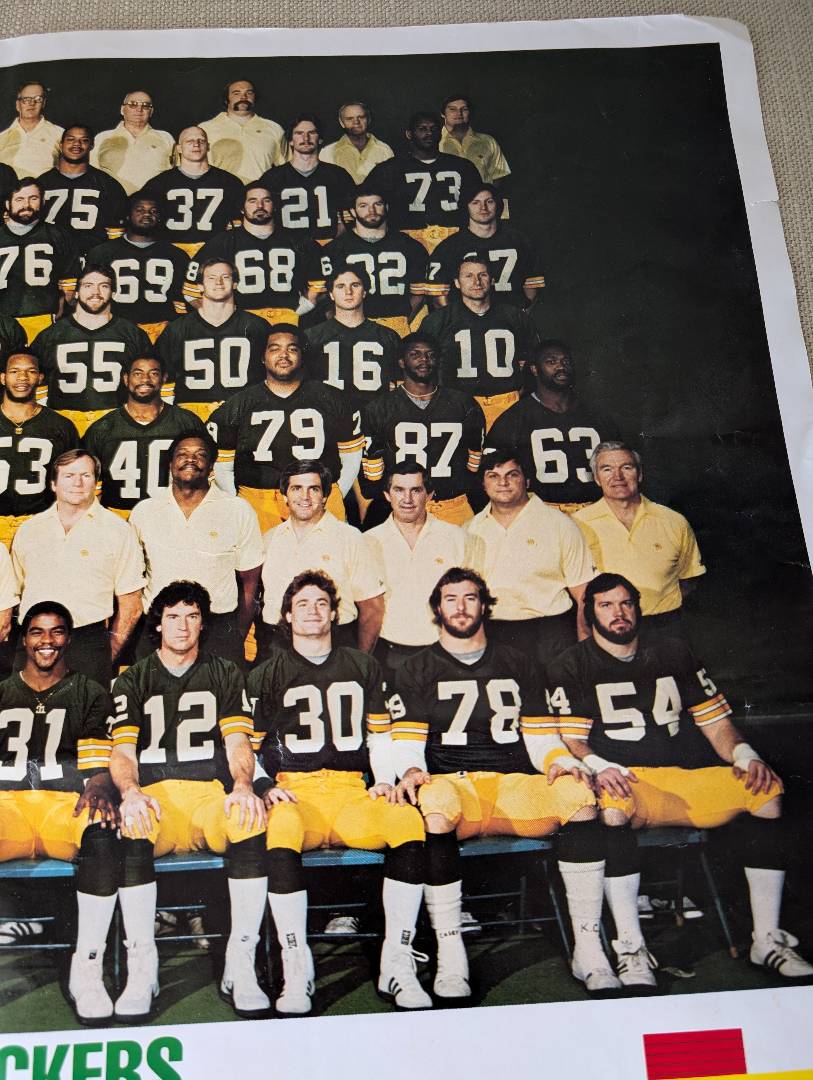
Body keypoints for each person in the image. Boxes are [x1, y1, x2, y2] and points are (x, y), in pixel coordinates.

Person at [549, 572, 813, 986]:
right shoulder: (572, 664)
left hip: (680, 777)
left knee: (766, 792)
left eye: (626, 603)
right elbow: (572, 740)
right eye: (606, 605)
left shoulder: (673, 652)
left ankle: (767, 938)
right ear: (590, 613)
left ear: (638, 608)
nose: (618, 613)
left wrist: (746, 755)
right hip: (625, 781)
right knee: (612, 810)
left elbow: (716, 724)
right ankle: (631, 948)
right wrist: (600, 766)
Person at [391, 567, 618, 996]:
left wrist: (559, 761)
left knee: (578, 796)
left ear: (485, 605)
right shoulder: (415, 668)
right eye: (451, 599)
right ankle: (450, 953)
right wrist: (410, 770)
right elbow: (407, 744)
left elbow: (541, 737)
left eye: (470, 597)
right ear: (437, 608)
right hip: (452, 782)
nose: (461, 607)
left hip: (513, 782)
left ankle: (588, 946)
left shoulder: (519, 662)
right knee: (434, 807)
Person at [249, 569, 430, 1013]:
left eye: (322, 603)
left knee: (407, 822)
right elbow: (245, 749)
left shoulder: (363, 666)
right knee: (280, 831)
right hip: (296, 791)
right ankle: (297, 966)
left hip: (352, 791)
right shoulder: (266, 674)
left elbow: (380, 736)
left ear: (335, 613)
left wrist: (384, 779)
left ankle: (397, 961)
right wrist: (264, 785)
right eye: (303, 604)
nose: (313, 611)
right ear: (287, 616)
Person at [109, 581, 270, 1020]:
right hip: (156, 798)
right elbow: (122, 752)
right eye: (173, 616)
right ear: (158, 624)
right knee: (132, 825)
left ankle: (241, 960)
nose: (183, 626)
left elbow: (238, 743)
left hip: (206, 796)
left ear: (203, 624)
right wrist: (131, 792)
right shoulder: (133, 678)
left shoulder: (224, 672)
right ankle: (143, 967)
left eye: (193, 616)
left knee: (248, 819)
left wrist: (243, 785)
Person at [0, 601, 121, 1023]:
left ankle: (87, 969)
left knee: (102, 829)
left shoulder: (89, 692)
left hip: (62, 806)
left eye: (56, 631)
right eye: (37, 631)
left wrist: (101, 785)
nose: (46, 641)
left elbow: (97, 768)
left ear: (68, 638)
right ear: (23, 639)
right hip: (7, 807)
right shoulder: (2, 691)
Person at [208, 324, 363, 532]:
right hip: (259, 500)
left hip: (317, 496)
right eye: (275, 348)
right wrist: (237, 502)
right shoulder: (238, 405)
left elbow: (351, 457)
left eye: (292, 349)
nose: (284, 355)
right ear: (263, 357)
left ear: (302, 356)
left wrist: (332, 493)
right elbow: (222, 467)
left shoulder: (332, 398)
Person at [11, 449, 145, 685]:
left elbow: (131, 604)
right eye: (69, 475)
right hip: (34, 642)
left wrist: (106, 654)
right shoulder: (30, 530)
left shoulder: (118, 531)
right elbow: (14, 592)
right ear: (53, 484)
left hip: (88, 644)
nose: (78, 483)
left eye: (86, 475)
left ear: (96, 483)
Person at [129, 434, 262, 665]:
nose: (190, 459)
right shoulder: (145, 511)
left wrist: (235, 634)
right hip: (159, 628)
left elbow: (250, 584)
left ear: (211, 467)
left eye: (200, 455)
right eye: (182, 454)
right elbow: (132, 580)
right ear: (170, 464)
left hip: (218, 629)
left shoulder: (238, 510)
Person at [466, 449, 594, 670]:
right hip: (492, 633)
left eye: (512, 474)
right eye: (493, 476)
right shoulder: (470, 529)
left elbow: (584, 594)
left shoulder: (560, 525)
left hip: (550, 634)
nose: (503, 483)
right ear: (483, 484)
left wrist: (586, 650)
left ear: (527, 480)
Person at [574, 443, 706, 639]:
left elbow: (689, 578)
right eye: (607, 469)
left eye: (626, 467)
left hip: (665, 628)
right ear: (596, 478)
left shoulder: (673, 521)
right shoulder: (577, 525)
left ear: (640, 474)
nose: (617, 476)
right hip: (608, 630)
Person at [259, 460, 385, 656]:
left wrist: (357, 662)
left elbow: (372, 608)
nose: (305, 496)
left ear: (325, 496)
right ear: (285, 495)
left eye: (314, 489)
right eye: (296, 488)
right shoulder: (269, 539)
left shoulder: (349, 538)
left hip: (334, 643)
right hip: (277, 646)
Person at [360, 332, 485, 526]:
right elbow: (373, 474)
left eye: (430, 354)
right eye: (415, 354)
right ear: (401, 362)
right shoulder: (379, 408)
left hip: (452, 506)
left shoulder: (463, 404)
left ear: (439, 361)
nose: (424, 359)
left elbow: (474, 460)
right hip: (402, 508)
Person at [486, 339, 622, 512]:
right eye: (551, 362)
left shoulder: (596, 415)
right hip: (542, 514)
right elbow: (492, 473)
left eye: (566, 362)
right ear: (535, 369)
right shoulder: (515, 418)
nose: (561, 367)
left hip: (595, 510)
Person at [365, 463, 467, 678]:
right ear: (387, 495)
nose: (407, 499)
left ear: (429, 495)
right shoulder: (368, 542)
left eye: (416, 490)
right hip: (389, 654)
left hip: (444, 652)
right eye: (399, 490)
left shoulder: (456, 538)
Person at [30, 263, 152, 436]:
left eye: (104, 286)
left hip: (115, 423)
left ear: (114, 293)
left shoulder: (133, 334)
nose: (96, 292)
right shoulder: (50, 336)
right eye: (88, 286)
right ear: (76, 292)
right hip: (64, 421)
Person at [422, 254, 539, 430]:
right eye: (468, 276)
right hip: (458, 406)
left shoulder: (515, 317)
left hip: (507, 404)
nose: (476, 282)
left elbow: (535, 359)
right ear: (457, 283)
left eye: (482, 275)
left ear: (492, 281)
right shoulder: (438, 320)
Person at [83, 353, 207, 518]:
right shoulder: (102, 428)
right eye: (138, 374)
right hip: (118, 518)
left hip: (171, 516)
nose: (145, 379)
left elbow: (204, 480)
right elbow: (89, 490)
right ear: (126, 379)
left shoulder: (186, 422)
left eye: (153, 373)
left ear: (164, 378)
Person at [183, 184, 322, 326]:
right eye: (252, 201)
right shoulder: (222, 242)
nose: (260, 206)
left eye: (266, 200)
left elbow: (320, 279)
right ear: (242, 208)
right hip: (243, 323)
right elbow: (190, 290)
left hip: (288, 319)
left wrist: (306, 305)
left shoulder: (298, 240)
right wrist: (219, 315)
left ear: (274, 205)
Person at [155, 257, 270, 423]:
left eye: (225, 277)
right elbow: (162, 378)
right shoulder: (177, 330)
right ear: (200, 286)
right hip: (191, 415)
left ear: (235, 283)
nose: (219, 282)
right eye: (211, 277)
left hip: (243, 414)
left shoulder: (257, 327)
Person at [315, 185, 429, 337]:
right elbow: (325, 297)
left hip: (396, 324)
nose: (372, 211)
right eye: (363, 206)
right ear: (352, 211)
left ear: (386, 207)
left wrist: (402, 319)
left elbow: (418, 294)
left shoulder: (411, 246)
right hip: (352, 325)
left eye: (378, 204)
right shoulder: (334, 250)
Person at [366, 111, 481, 252]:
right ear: (409, 134)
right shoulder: (390, 169)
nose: (429, 133)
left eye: (433, 129)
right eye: (422, 129)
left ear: (441, 133)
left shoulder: (462, 166)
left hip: (455, 240)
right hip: (405, 242)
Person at [84, 194, 190, 343]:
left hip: (161, 330)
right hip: (116, 330)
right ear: (128, 215)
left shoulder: (176, 255)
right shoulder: (102, 253)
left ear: (160, 217)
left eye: (153, 211)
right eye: (140, 210)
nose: (147, 214)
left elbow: (182, 299)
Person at [0, 350, 78, 549]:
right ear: (2, 378)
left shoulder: (61, 426)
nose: (22, 377)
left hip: (40, 527)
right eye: (14, 371)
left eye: (31, 371)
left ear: (40, 378)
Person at [424, 183, 545, 309]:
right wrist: (456, 319)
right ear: (466, 207)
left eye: (489, 201)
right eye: (475, 202)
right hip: (465, 318)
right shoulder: (449, 247)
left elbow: (532, 288)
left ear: (498, 205)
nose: (483, 207)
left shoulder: (520, 242)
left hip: (510, 315)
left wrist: (520, 315)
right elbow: (439, 298)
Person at [305, 265, 400, 424]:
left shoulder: (388, 337)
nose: (348, 292)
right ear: (331, 294)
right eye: (340, 286)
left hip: (375, 419)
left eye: (355, 285)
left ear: (364, 292)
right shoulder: (312, 337)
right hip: (328, 419)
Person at [141, 126, 245, 258]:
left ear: (208, 146)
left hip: (216, 253)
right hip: (170, 253)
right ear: (179, 148)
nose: (196, 144)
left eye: (201, 140)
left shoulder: (229, 182)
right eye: (190, 141)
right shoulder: (159, 183)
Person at [0, 177, 78, 344]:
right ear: (7, 204)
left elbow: (69, 285)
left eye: (33, 198)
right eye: (19, 199)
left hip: (43, 319)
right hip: (3, 321)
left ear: (42, 202)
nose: (26, 204)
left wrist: (59, 312)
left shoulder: (57, 235)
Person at [256, 114, 354, 244]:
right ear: (290, 140)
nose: (306, 138)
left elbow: (351, 215)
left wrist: (331, 242)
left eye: (312, 133)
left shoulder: (338, 175)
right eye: (299, 133)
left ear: (320, 139)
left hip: (329, 247)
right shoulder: (272, 178)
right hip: (286, 249)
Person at [38, 124, 128, 255]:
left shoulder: (108, 185)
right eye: (71, 139)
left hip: (92, 256)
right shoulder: (42, 183)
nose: (77, 144)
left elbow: (117, 229)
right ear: (61, 144)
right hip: (49, 254)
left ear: (91, 146)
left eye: (84, 140)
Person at [199, 79, 286, 185]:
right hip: (221, 191)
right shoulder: (205, 129)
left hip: (260, 193)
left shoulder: (274, 129)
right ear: (226, 99)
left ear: (255, 97)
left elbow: (286, 170)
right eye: (236, 93)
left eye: (249, 93)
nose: (243, 97)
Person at [90, 90, 174, 196]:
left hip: (155, 201)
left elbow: (177, 173)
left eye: (145, 105)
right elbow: (92, 173)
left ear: (151, 111)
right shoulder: (103, 138)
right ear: (122, 109)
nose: (139, 109)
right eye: (133, 104)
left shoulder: (166, 138)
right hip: (112, 200)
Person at [438, 95, 511, 186]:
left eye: (464, 109)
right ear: (443, 113)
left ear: (470, 112)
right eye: (453, 109)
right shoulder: (433, 142)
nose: (459, 113)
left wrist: (488, 193)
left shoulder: (488, 141)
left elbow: (499, 176)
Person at [319, 101, 394, 184]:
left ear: (368, 119)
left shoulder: (385, 150)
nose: (356, 122)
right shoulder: (328, 153)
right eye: (350, 119)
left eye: (361, 117)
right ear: (341, 122)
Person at [0, 81, 62, 178]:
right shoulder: (2, 138)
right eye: (26, 99)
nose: (32, 103)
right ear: (18, 105)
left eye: (38, 99)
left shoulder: (59, 134)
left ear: (44, 103)